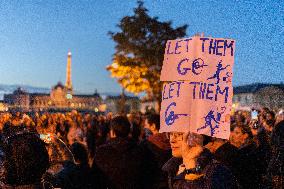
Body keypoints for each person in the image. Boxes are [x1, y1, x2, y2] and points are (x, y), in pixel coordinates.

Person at [162, 131, 238, 189]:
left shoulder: (218, 171)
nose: (172, 140)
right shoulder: (171, 168)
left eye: (180, 134)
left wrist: (191, 164)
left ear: (198, 137)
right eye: (171, 134)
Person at [92, 115, 151, 189]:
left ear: (112, 132)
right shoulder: (141, 150)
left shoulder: (102, 152)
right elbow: (147, 177)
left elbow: (95, 178)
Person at [140, 114, 171, 188]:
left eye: (146, 125)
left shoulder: (146, 144)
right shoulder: (172, 141)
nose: (144, 127)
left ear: (153, 126)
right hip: (170, 181)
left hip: (154, 182)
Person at [230, 124, 263, 188]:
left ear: (245, 135)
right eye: (233, 132)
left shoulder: (244, 152)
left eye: (237, 133)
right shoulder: (251, 147)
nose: (233, 135)